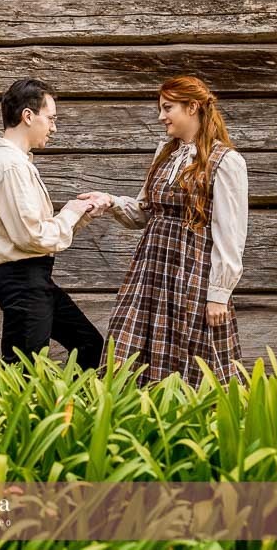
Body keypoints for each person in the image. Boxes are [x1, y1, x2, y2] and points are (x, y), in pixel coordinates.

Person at [80, 76, 248, 386]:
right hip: (151, 273)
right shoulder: (166, 154)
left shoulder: (226, 161)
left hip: (191, 275)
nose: (161, 116)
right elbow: (144, 213)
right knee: (128, 347)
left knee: (193, 354)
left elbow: (230, 233)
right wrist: (111, 201)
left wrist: (219, 295)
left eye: (168, 108)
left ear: (193, 107)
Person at [0, 78, 105, 370]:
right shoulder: (10, 166)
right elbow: (32, 236)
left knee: (89, 346)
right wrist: (70, 211)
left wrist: (81, 215)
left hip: (34, 277)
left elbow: (37, 231)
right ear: (28, 116)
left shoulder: (17, 163)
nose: (54, 127)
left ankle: (65, 413)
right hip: (22, 280)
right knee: (22, 371)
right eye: (51, 118)